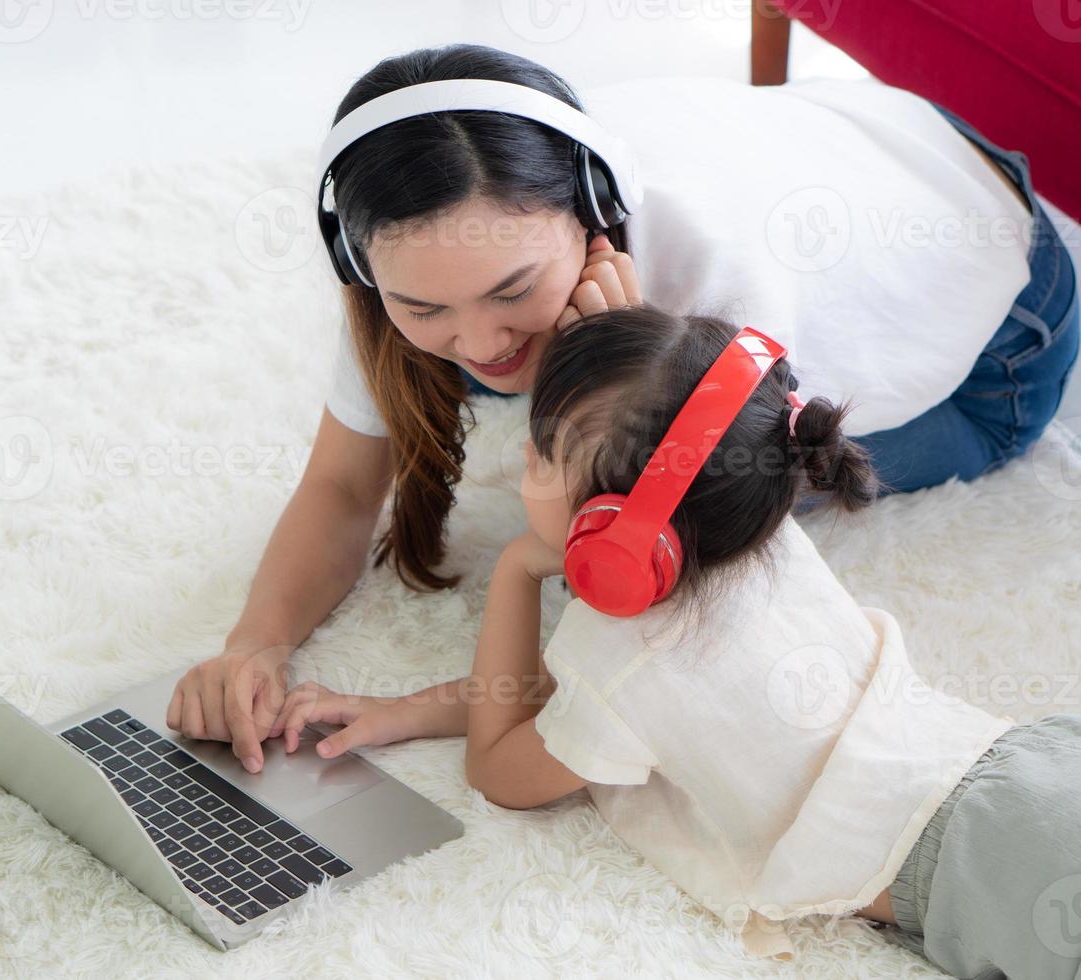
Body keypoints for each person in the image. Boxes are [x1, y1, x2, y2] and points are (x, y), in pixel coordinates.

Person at [165, 43, 1078, 776]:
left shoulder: (721, 281)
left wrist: (627, 352)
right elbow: (339, 486)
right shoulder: (420, 263)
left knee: (707, 505)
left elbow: (646, 624)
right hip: (860, 139)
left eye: (511, 290)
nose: (480, 343)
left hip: (1006, 316)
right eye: (426, 312)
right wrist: (255, 646)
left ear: (595, 210)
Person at [270, 303, 1081, 975]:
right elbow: (585, 701)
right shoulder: (761, 539)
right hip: (1023, 762)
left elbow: (501, 770)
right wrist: (406, 711)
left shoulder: (621, 659)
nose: (521, 458)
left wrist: (519, 572)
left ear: (614, 529)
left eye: (541, 453)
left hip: (975, 868)